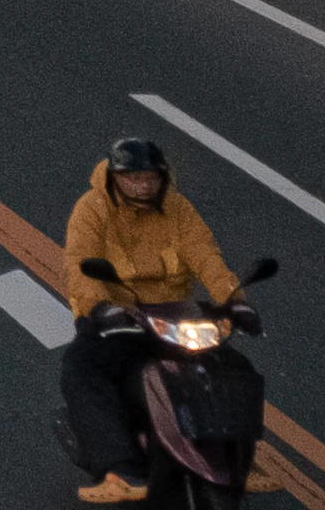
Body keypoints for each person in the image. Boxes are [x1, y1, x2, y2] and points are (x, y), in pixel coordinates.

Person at [53, 133, 243, 500]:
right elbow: (79, 264)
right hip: (117, 315)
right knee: (81, 371)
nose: (142, 185)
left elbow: (206, 254)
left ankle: (234, 451)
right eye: (133, 178)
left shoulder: (178, 208)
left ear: (162, 178)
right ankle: (120, 468)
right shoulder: (92, 209)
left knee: (226, 366)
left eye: (149, 178)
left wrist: (233, 299)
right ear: (115, 179)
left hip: (173, 314)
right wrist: (99, 306)